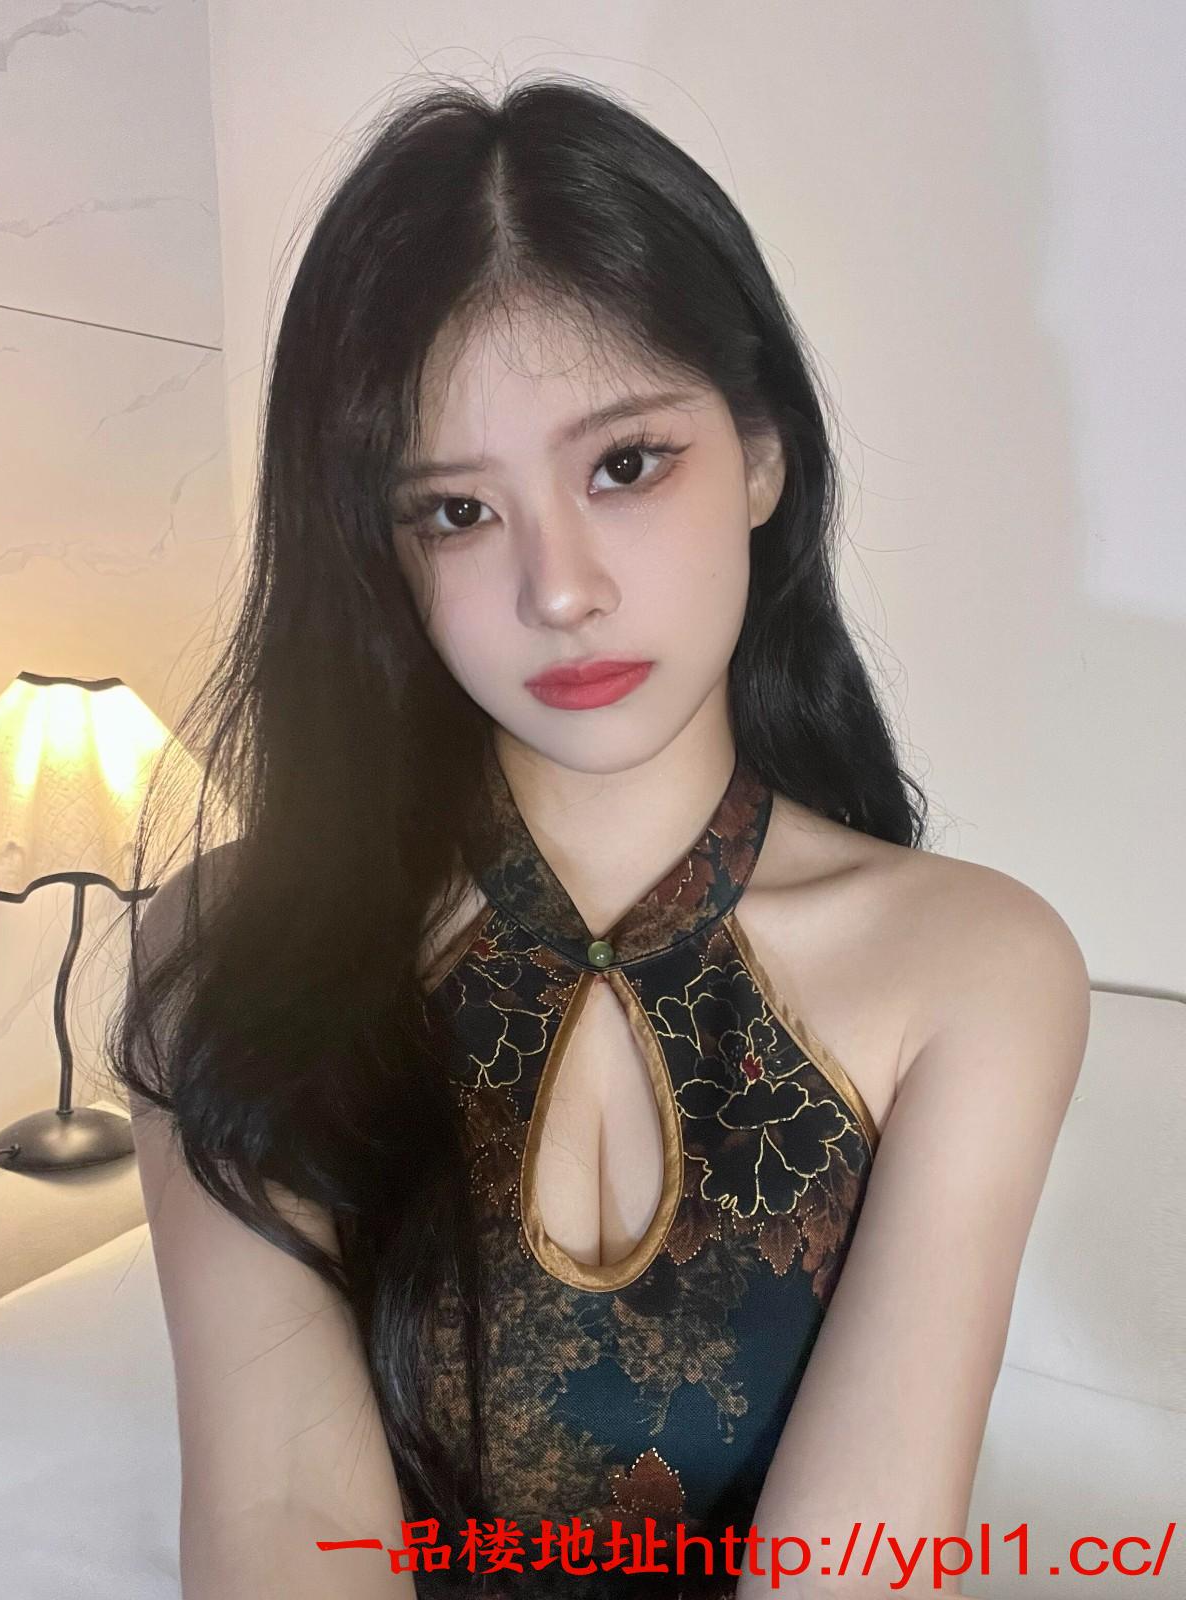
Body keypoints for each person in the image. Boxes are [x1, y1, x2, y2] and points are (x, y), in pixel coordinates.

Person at [110, 74, 1091, 1600]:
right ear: (379, 548)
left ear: (762, 453)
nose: (558, 589)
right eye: (456, 511)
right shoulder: (233, 945)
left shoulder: (974, 967)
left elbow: (859, 1559)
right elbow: (283, 1519)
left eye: (624, 464)